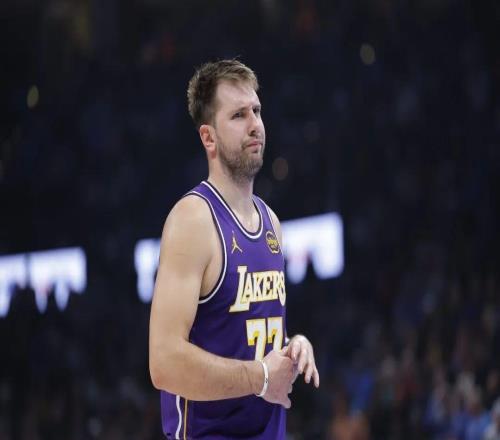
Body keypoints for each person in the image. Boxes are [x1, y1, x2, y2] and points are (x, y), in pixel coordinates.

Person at [149, 59, 320, 439]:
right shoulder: (193, 220)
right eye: (239, 115)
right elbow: (163, 362)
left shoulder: (271, 221)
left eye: (256, 110)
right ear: (208, 138)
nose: (255, 124)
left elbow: (248, 339)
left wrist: (292, 346)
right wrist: (260, 378)